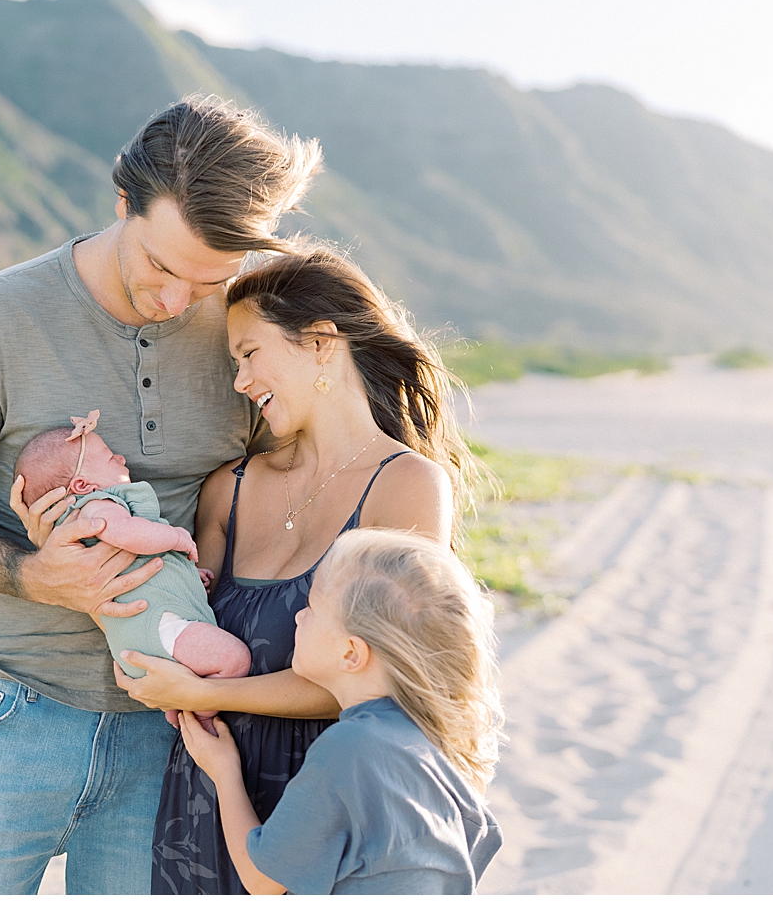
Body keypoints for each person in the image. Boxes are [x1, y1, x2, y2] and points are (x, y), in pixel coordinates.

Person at [0, 95, 321, 895]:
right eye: (160, 266)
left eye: (208, 278)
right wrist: (31, 574)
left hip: (174, 734)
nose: (175, 299)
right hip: (1, 709)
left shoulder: (242, 334)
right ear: (122, 202)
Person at [112, 247, 491, 894]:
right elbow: (176, 614)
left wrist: (208, 695)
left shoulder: (406, 486)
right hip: (202, 795)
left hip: (336, 804)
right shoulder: (227, 489)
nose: (240, 379)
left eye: (250, 353)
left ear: (320, 344)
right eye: (233, 362)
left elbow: (380, 669)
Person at [178, 528, 504, 894]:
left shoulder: (349, 747)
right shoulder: (431, 745)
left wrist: (223, 770)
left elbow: (262, 879)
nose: (298, 618)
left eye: (312, 608)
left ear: (352, 653)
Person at [12, 409, 251, 732]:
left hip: (153, 629)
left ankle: (184, 709)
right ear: (83, 485)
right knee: (234, 659)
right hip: (157, 629)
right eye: (111, 457)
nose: (121, 457)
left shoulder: (98, 516)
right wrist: (177, 537)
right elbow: (131, 536)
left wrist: (187, 574)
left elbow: (144, 569)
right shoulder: (98, 507)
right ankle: (202, 717)